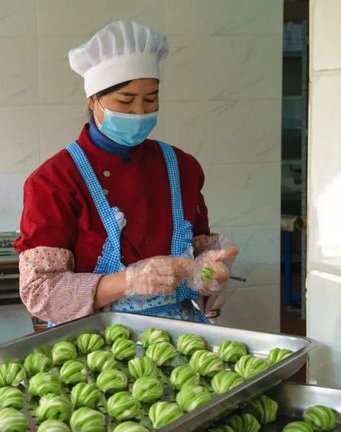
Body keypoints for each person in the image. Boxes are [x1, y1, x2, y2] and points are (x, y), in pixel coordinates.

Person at [15, 21, 238, 326]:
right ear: (93, 100)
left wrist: (209, 274)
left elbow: (200, 259)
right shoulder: (55, 181)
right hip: (94, 348)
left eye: (150, 99)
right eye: (125, 100)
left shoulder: (182, 167)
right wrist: (129, 281)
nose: (139, 112)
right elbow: (41, 294)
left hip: (180, 338)